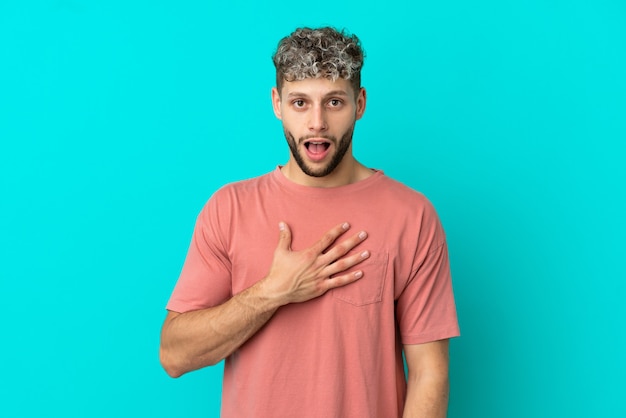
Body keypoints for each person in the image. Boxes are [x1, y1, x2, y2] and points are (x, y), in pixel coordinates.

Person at [160, 26, 460, 418]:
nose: (317, 122)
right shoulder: (229, 209)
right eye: (300, 102)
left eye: (333, 102)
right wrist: (273, 291)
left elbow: (429, 375)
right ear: (277, 103)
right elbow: (174, 354)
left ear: (360, 103)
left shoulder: (412, 216)